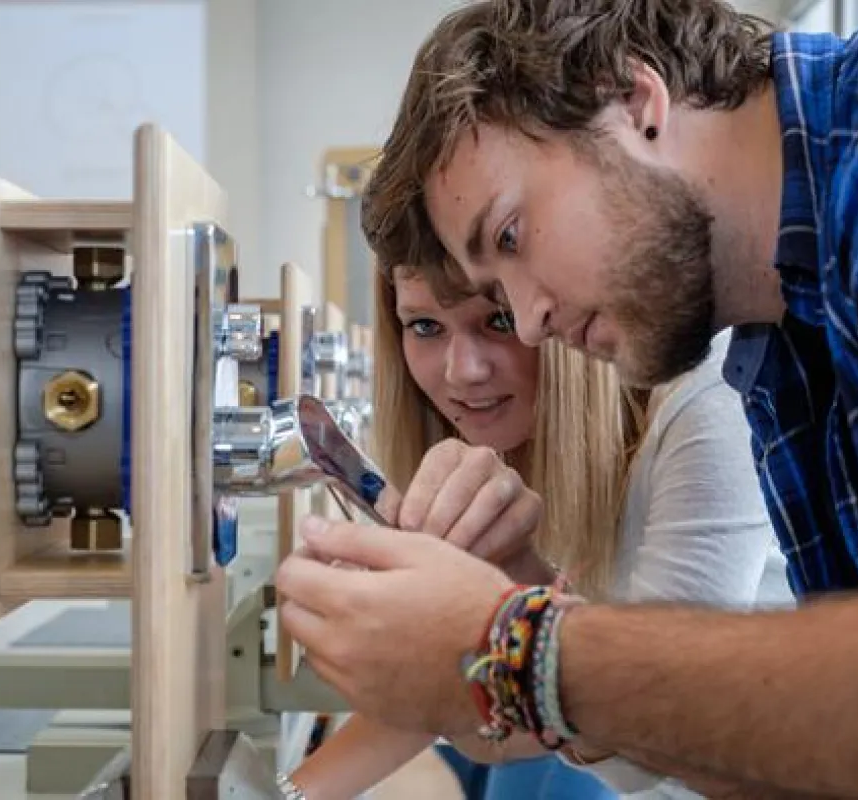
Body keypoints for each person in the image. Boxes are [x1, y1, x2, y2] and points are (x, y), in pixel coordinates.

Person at [274, 1, 858, 798]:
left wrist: (515, 642)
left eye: (510, 237)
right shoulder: (782, 346)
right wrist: (523, 597)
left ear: (636, 103)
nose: (531, 322)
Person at [283, 263, 790, 799]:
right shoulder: (509, 434)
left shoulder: (709, 396)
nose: (462, 371)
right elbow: (493, 711)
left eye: (498, 319)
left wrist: (494, 616)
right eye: (425, 326)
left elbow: (644, 726)